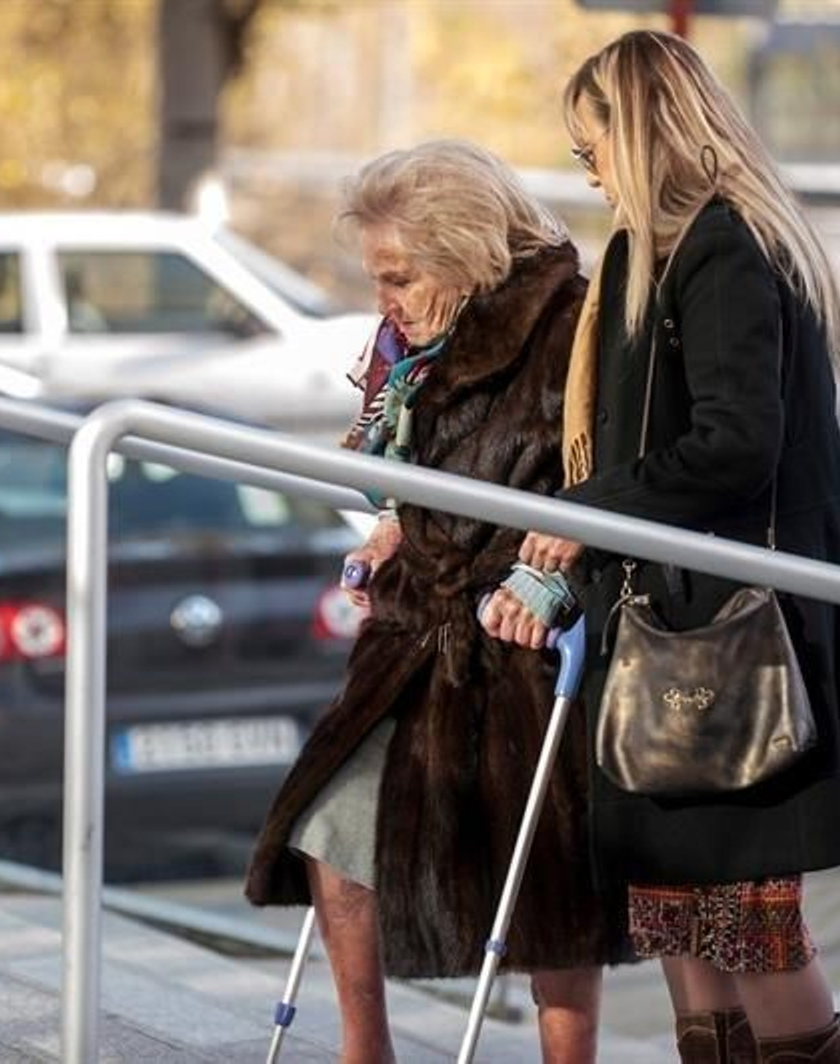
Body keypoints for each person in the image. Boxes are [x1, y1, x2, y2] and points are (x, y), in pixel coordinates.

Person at [483, 31, 840, 1064]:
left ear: (641, 130)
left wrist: (585, 511)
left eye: (594, 143)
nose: (585, 165)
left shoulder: (724, 245)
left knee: (748, 927)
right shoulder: (643, 251)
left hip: (736, 635)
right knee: (681, 923)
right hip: (665, 628)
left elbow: (735, 442)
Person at [246, 140, 624, 1064]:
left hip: (522, 637)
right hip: (418, 633)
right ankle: (362, 1051)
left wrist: (552, 576)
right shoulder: (410, 346)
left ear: (462, 252)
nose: (384, 299)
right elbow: (398, 477)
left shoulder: (571, 327)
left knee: (549, 892)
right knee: (330, 824)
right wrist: (391, 527)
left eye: (399, 276)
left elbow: (607, 480)